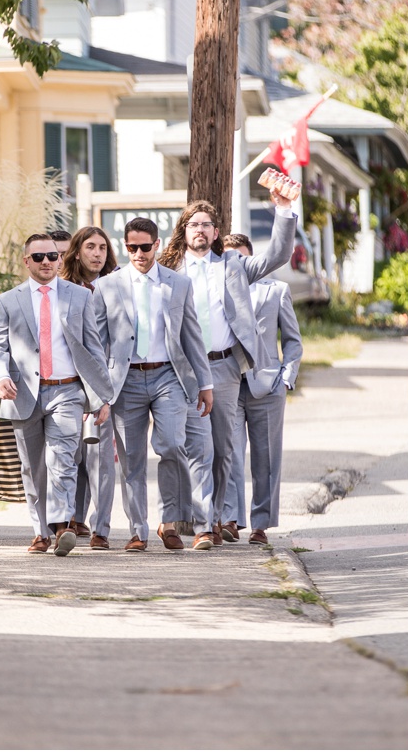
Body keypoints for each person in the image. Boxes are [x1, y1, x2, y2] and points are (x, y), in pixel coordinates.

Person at [157, 185, 297, 549]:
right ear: (183, 231)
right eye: (193, 224)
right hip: (179, 370)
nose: (199, 230)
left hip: (223, 369)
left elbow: (278, 254)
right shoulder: (168, 270)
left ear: (216, 233)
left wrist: (283, 209)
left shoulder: (232, 266)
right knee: (183, 446)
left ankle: (213, 518)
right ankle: (193, 519)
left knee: (221, 450)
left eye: (206, 224)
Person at [0, 234, 112, 555]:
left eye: (53, 256)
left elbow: (93, 349)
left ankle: (61, 526)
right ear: (26, 261)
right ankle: (39, 531)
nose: (46, 262)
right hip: (22, 393)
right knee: (32, 467)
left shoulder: (79, 297)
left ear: (60, 259)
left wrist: (100, 397)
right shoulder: (8, 301)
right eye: (39, 257)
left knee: (63, 459)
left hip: (67, 390)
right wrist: (0, 377)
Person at [92, 217, 213, 552]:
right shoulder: (108, 286)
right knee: (131, 459)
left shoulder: (178, 284)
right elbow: (97, 344)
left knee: (173, 445)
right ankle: (137, 529)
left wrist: (205, 382)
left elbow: (191, 335)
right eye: (132, 247)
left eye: (145, 247)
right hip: (125, 380)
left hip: (168, 376)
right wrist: (98, 393)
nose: (139, 253)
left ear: (157, 245)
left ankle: (170, 521)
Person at [219, 233, 303, 546]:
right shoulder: (216, 291)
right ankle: (230, 518)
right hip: (228, 382)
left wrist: (286, 376)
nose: (235, 264)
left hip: (266, 386)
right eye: (229, 258)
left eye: (241, 257)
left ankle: (260, 525)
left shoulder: (277, 290)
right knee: (228, 453)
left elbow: (293, 340)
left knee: (266, 459)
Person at [59, 226, 119, 548]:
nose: (97, 254)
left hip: (106, 383)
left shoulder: (116, 287)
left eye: (102, 248)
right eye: (90, 247)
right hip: (69, 383)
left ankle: (101, 529)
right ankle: (71, 518)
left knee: (100, 458)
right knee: (71, 454)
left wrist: (106, 389)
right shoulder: (63, 289)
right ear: (78, 251)